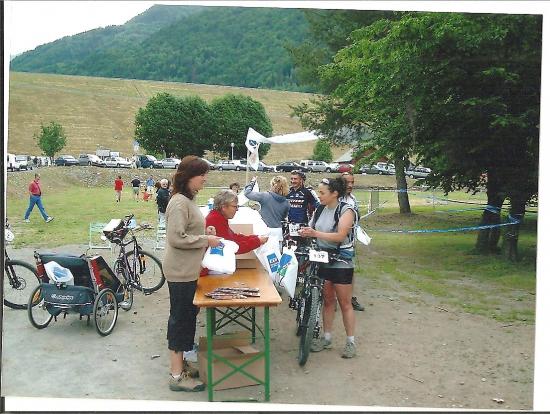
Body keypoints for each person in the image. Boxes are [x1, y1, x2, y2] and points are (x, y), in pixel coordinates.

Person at [163, 156, 222, 392]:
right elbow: (176, 238)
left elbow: (188, 231)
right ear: (188, 177)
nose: (204, 179)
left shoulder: (187, 201)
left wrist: (203, 232)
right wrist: (206, 239)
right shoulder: (179, 203)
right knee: (180, 319)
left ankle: (181, 363)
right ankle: (176, 376)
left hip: (188, 270)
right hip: (180, 271)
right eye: (201, 175)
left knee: (187, 317)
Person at [298, 176, 357, 359]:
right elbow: (312, 228)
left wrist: (315, 233)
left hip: (341, 261)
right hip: (322, 257)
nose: (318, 195)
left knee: (344, 303)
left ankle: (350, 342)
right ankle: (327, 337)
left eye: (322, 193)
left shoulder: (346, 210)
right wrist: (305, 232)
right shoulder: (320, 208)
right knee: (328, 300)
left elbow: (340, 236)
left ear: (335, 193)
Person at [204, 189, 268, 259]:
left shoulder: (218, 217)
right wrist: (257, 241)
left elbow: (233, 237)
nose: (237, 209)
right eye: (235, 206)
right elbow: (232, 247)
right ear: (224, 207)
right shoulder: (215, 220)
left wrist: (255, 238)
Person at [340, 172, 365, 312]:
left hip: (348, 241)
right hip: (332, 241)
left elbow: (356, 219)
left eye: (352, 182)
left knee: (349, 270)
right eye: (347, 182)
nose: (350, 185)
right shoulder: (334, 198)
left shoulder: (353, 199)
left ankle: (350, 298)